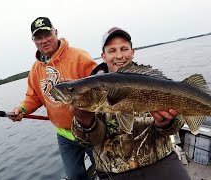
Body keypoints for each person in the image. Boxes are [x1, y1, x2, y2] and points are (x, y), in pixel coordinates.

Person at [70, 27, 191, 180]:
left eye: (124, 49)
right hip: (113, 172)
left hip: (161, 161)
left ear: (132, 52)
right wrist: (85, 121)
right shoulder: (92, 90)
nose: (119, 55)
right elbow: (89, 142)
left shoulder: (153, 82)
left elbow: (174, 127)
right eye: (112, 50)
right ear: (103, 56)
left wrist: (165, 123)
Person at [9, 17, 97, 180]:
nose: (44, 40)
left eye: (47, 34)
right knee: (74, 175)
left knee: (104, 169)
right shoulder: (35, 70)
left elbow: (100, 85)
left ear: (55, 33)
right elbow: (33, 97)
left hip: (90, 130)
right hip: (64, 135)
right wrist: (21, 109)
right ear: (34, 41)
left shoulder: (79, 56)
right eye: (38, 37)